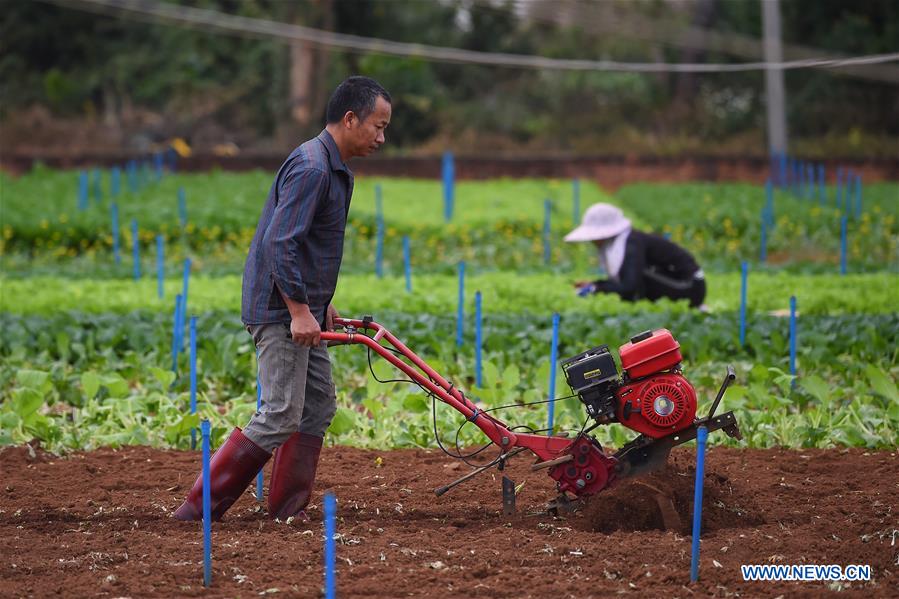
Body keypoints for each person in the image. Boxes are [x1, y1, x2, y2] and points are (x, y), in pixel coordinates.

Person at [174, 76, 392, 522]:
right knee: (280, 414)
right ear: (351, 119)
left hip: (301, 307)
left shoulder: (333, 168)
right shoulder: (313, 168)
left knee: (317, 406)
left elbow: (306, 244)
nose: (382, 138)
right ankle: (197, 512)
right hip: (280, 311)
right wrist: (298, 310)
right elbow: (281, 242)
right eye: (378, 126)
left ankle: (286, 510)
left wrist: (319, 304)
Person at [564, 203, 706, 308]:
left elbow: (629, 287)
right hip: (674, 281)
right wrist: (595, 284)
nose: (592, 241)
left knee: (637, 279)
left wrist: (596, 289)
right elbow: (622, 281)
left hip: (690, 286)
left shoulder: (632, 244)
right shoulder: (623, 242)